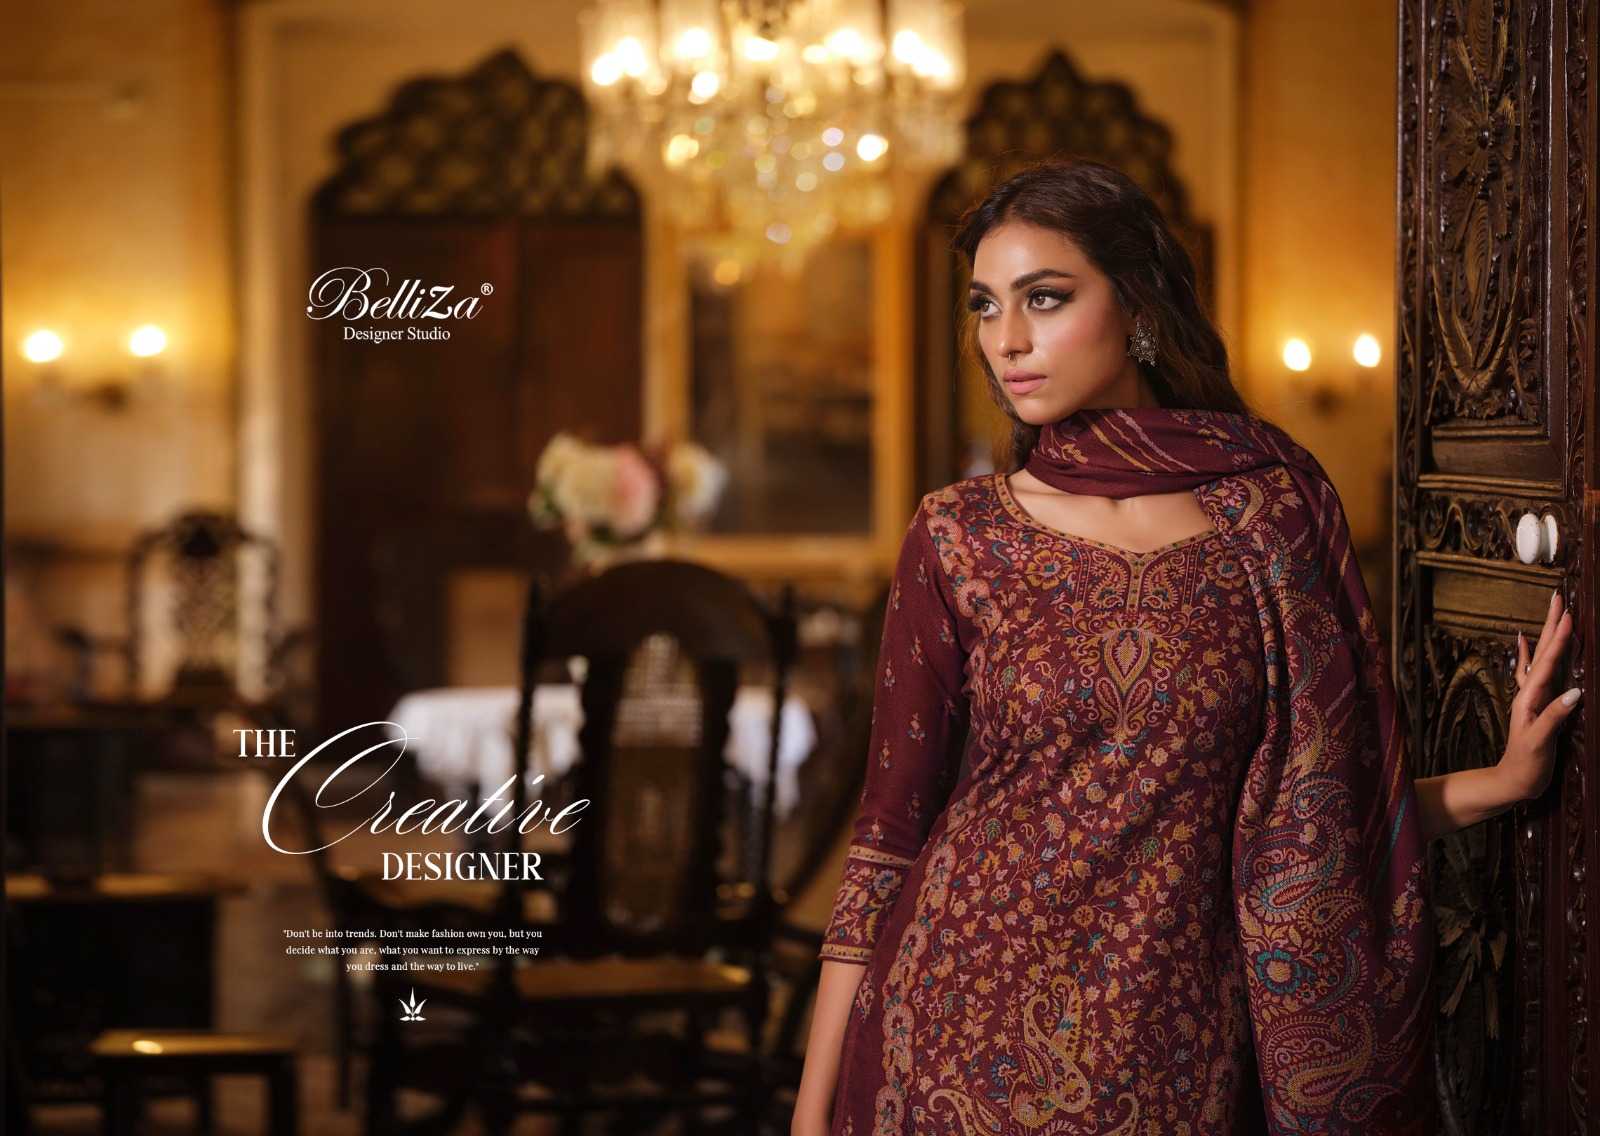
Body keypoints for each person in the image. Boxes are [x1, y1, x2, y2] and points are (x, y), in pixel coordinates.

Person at [791, 157, 1581, 1136]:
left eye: (1044, 298)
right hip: (950, 1032)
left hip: (1175, 1048)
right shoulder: (960, 533)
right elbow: (887, 831)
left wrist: (1504, 781)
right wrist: (811, 1108)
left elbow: (1323, 824)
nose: (1006, 339)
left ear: (1137, 305)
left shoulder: (1272, 517)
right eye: (985, 305)